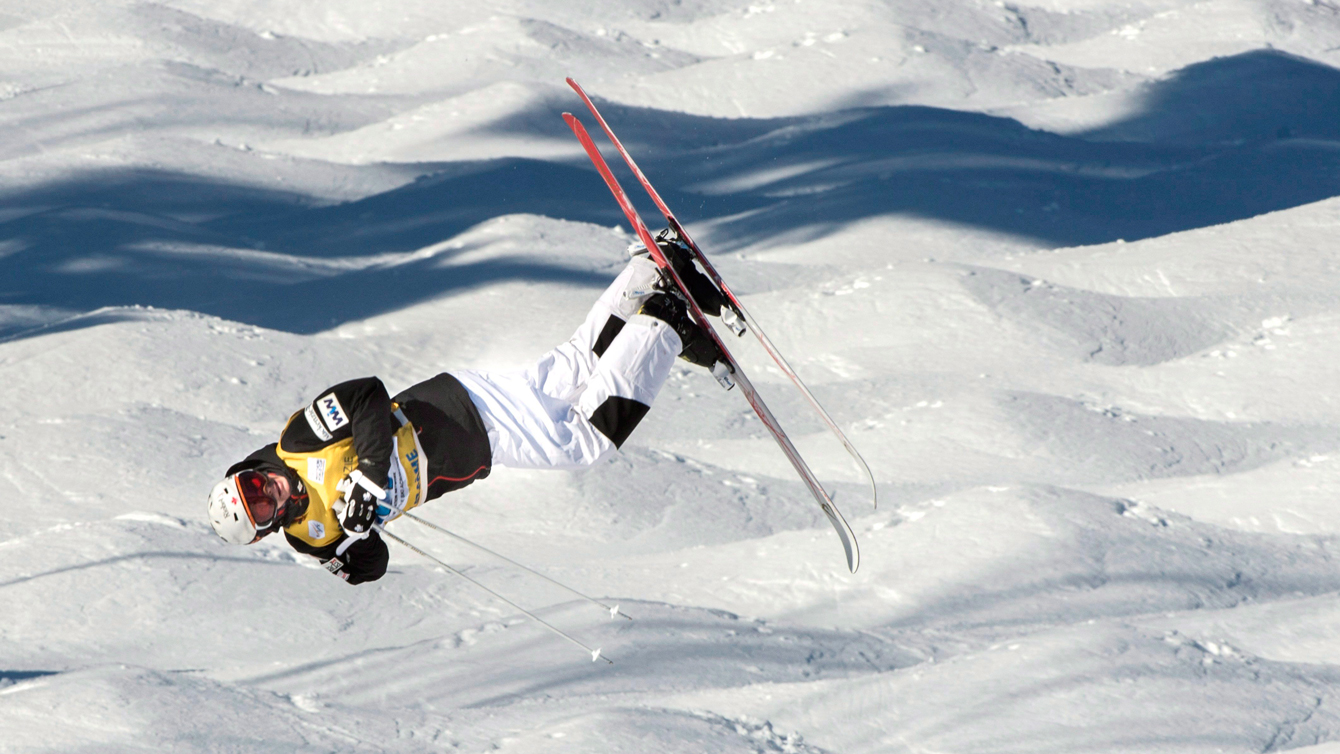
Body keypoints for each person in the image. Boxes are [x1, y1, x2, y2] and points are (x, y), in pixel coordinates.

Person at [206, 233, 728, 584]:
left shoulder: (298, 442)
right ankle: (649, 274)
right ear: (267, 526)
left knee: (583, 444)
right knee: (569, 373)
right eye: (260, 504)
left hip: (453, 420)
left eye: (254, 482)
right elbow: (371, 567)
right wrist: (359, 532)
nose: (266, 490)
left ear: (253, 469)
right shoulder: (311, 540)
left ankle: (664, 323)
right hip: (464, 436)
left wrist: (367, 477)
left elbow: (367, 394)